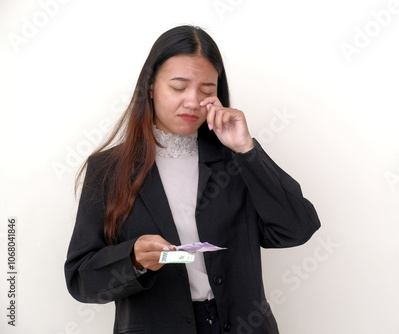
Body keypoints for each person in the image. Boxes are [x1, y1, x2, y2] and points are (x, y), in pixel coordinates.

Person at [64, 25, 321, 334]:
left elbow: (297, 229)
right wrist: (132, 259)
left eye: (206, 90)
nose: (192, 101)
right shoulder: (108, 170)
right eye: (178, 87)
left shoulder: (235, 161)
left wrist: (246, 149)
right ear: (150, 87)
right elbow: (81, 279)